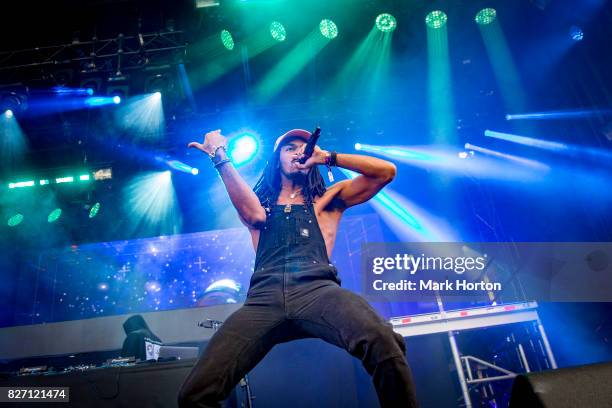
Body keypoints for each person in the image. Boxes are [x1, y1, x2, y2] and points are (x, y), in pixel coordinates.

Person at [178, 129, 419, 407]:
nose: (298, 152)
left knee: (382, 340)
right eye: (289, 148)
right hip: (263, 300)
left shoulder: (329, 199)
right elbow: (253, 216)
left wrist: (325, 157)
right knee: (193, 394)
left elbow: (385, 172)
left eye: (304, 148)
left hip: (317, 290)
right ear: (276, 159)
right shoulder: (259, 203)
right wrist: (219, 155)